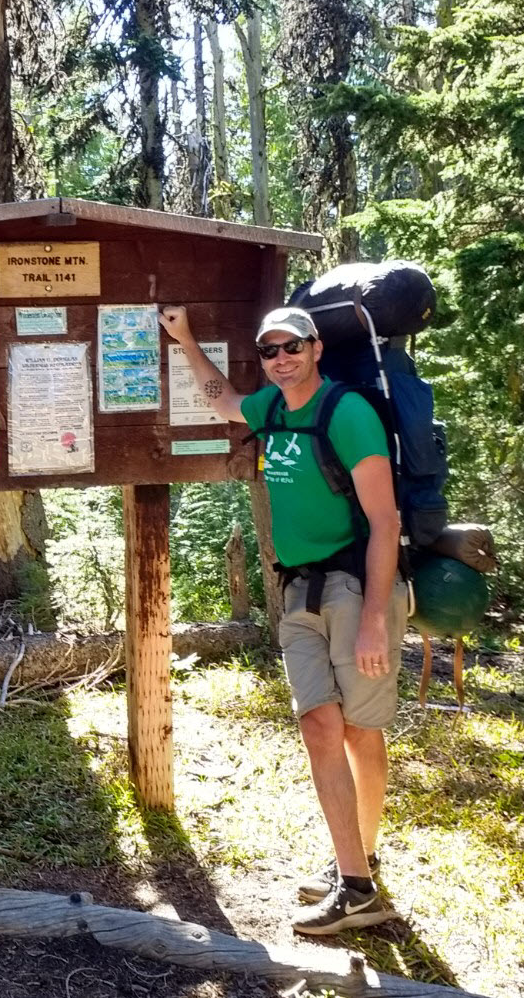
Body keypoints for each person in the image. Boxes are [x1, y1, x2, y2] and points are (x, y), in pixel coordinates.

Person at [159, 304, 407, 935]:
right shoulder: (271, 408)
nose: (279, 358)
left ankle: (360, 872)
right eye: (269, 350)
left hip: (356, 586)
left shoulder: (346, 413)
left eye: (291, 346)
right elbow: (222, 401)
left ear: (316, 348)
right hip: (298, 593)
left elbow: (385, 521)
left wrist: (376, 616)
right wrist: (185, 339)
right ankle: (354, 876)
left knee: (359, 731)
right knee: (320, 728)